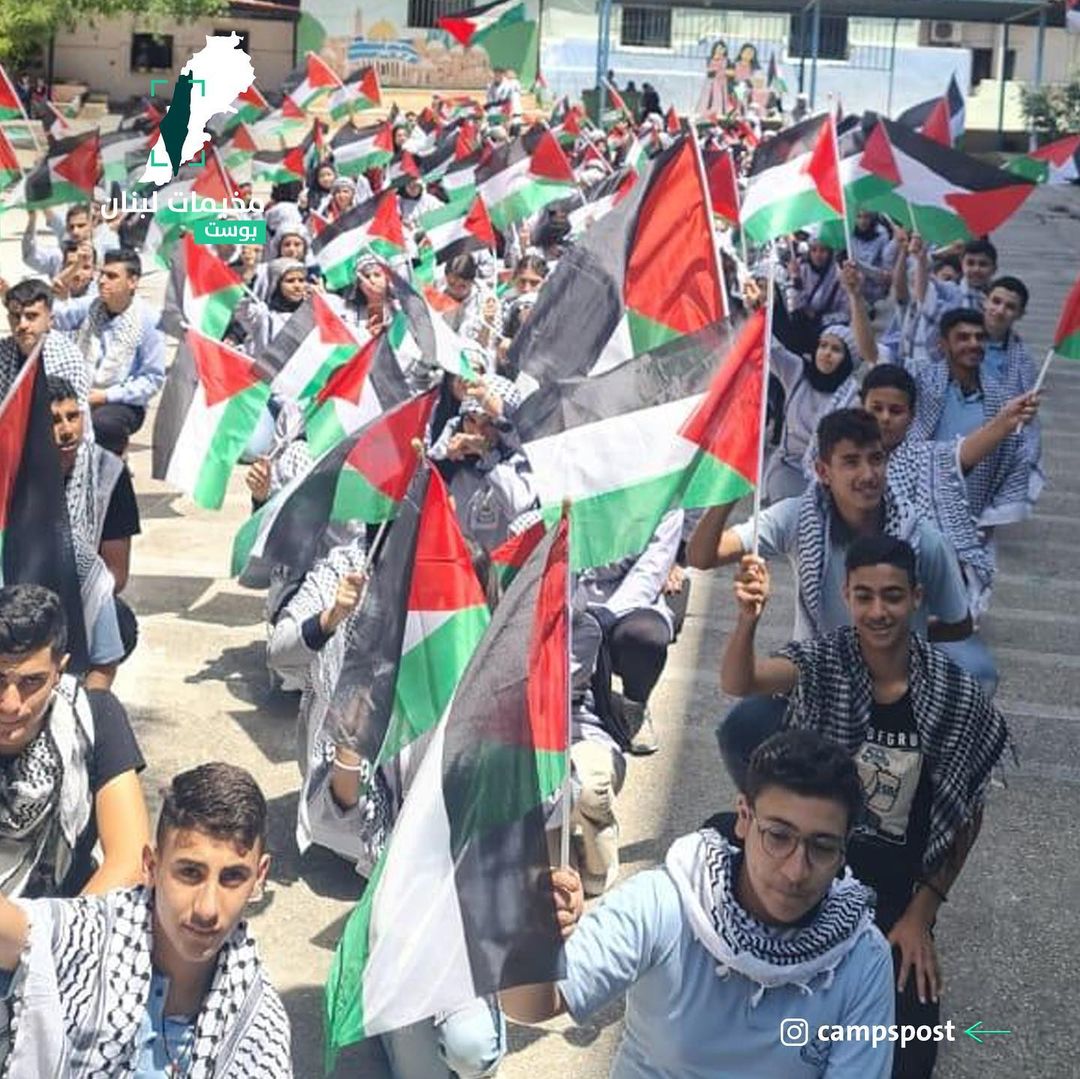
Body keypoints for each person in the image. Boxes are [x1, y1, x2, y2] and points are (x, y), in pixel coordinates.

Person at [720, 536, 1008, 1077]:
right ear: (846, 596)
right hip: (811, 869)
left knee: (908, 1056)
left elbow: (966, 814)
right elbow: (741, 680)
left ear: (916, 597)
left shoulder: (955, 694)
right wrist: (746, 621)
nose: (879, 611)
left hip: (892, 897)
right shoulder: (824, 662)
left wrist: (921, 915)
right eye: (865, 596)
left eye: (893, 596)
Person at [501, 729, 895, 1077]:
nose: (795, 871)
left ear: (844, 851)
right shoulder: (668, 902)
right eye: (778, 836)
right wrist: (534, 940)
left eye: (822, 847)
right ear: (744, 817)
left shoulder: (863, 957)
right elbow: (527, 1006)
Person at [0, 761, 292, 1075]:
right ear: (151, 866)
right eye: (190, 873)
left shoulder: (260, 1030)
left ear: (259, 877)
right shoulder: (91, 936)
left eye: (232, 877)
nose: (207, 909)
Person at [687, 408, 997, 691]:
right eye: (851, 462)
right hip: (818, 676)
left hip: (894, 683)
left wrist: (899, 633)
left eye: (876, 459)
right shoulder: (798, 517)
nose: (868, 474)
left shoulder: (923, 540)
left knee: (978, 678)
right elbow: (702, 555)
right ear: (823, 472)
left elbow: (958, 623)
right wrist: (731, 486)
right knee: (744, 725)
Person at [0, 584, 148, 902]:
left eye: (31, 682)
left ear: (59, 671)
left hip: (69, 917)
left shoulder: (95, 718)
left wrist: (54, 928)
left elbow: (129, 860)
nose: (11, 704)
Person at [750, 263, 873, 503]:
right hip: (788, 469)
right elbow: (767, 348)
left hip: (830, 478)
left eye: (836, 349)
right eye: (823, 346)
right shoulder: (798, 372)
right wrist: (759, 309)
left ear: (848, 359)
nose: (826, 353)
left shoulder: (853, 394)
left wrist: (855, 296)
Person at [51, 248, 166, 455]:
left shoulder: (149, 320)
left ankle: (113, 464)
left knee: (103, 425)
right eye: (102, 274)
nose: (102, 281)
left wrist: (105, 396)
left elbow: (152, 379)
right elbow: (54, 317)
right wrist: (71, 270)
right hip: (81, 392)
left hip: (122, 401)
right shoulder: (91, 306)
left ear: (132, 282)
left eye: (112, 276)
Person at [430, 385, 536, 552]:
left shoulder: (522, 462)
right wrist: (444, 459)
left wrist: (489, 456)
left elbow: (517, 507)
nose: (477, 432)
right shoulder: (453, 462)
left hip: (501, 564)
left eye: (488, 424)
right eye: (471, 421)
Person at [0, 278, 89, 405]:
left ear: (50, 320)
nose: (22, 324)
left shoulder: (67, 359)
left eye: (31, 316)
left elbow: (76, 413)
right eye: (16, 316)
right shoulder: (3, 352)